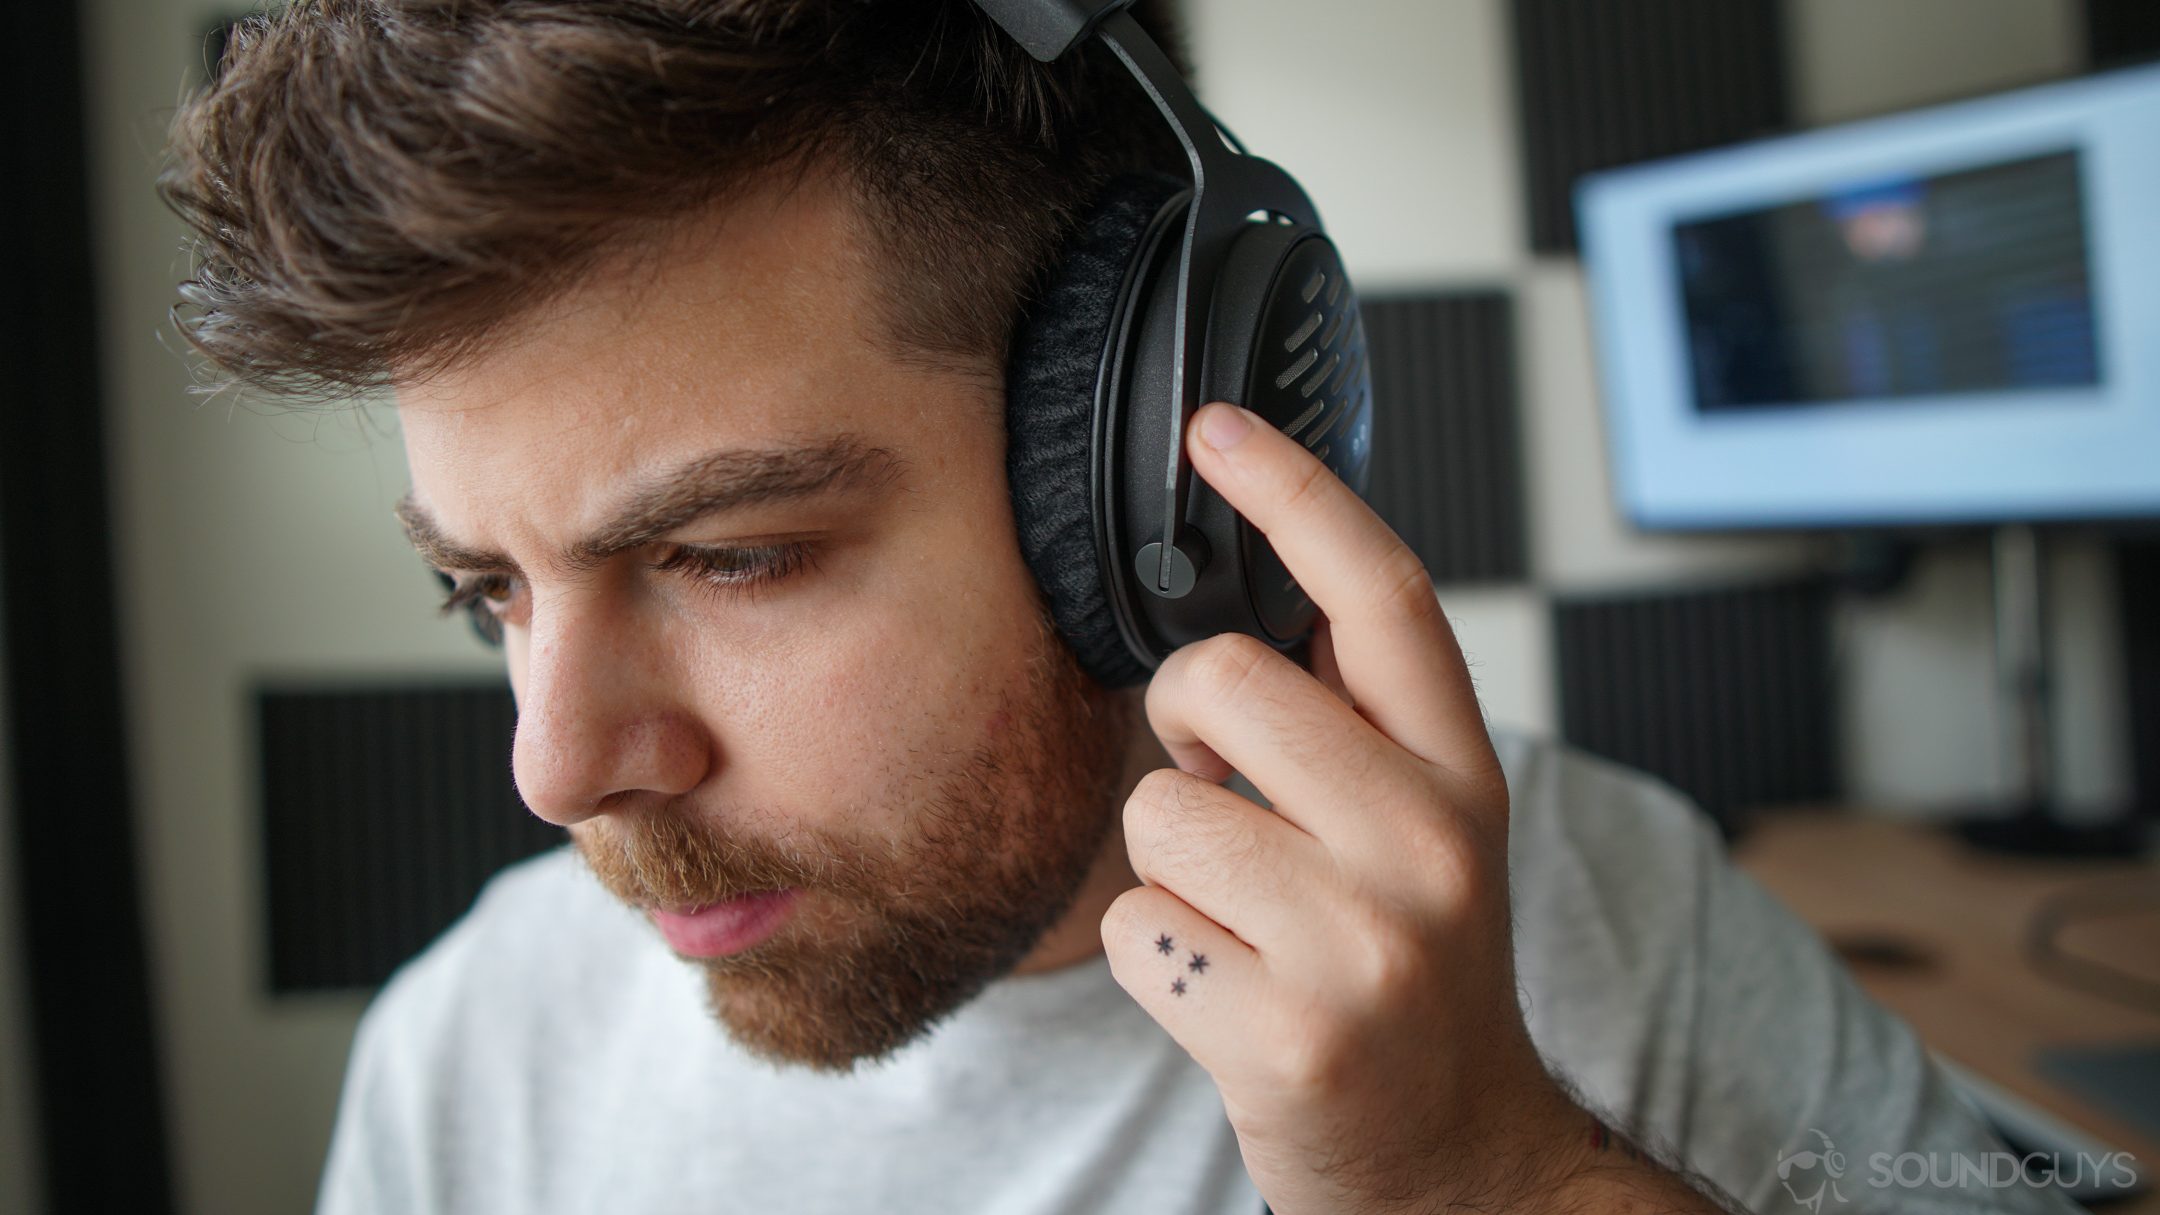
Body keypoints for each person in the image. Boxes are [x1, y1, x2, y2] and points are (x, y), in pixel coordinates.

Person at [157, 3, 2075, 1212]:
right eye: (477, 588)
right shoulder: (470, 1056)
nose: (559, 769)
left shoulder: (1588, 929)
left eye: (731, 554)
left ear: (1147, 475)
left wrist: (1492, 1180)